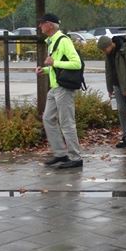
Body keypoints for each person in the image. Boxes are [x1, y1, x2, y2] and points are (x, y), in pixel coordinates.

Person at [36, 13, 84, 169]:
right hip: (55, 88)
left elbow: (76, 64)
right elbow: (57, 66)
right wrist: (44, 70)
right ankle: (60, 154)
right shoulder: (51, 41)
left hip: (63, 88)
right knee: (48, 119)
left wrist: (54, 62)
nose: (40, 26)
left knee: (67, 123)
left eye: (42, 23)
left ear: (50, 25)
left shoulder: (63, 40)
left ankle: (76, 158)